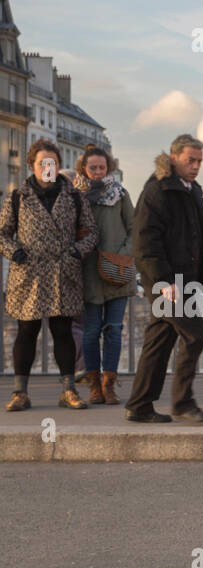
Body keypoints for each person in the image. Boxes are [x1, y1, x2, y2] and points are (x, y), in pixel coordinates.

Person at [0, 138, 99, 411]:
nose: (48, 167)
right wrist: (14, 252)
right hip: (28, 274)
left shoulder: (74, 196)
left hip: (61, 272)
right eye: (43, 162)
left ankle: (68, 391)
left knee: (63, 332)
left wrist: (77, 252)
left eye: (52, 163)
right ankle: (20, 393)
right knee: (26, 332)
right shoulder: (18, 197)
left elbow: (91, 231)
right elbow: (2, 233)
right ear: (32, 165)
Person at [126, 133, 203, 423]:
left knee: (159, 340)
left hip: (184, 281)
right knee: (195, 334)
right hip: (168, 284)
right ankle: (183, 402)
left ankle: (139, 405)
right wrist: (164, 282)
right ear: (174, 157)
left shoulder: (191, 189)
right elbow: (145, 242)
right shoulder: (158, 190)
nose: (196, 166)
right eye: (191, 160)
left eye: (199, 161)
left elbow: (202, 233)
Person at [74, 146, 135, 405]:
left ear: (108, 168)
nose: (98, 173)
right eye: (93, 168)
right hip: (88, 272)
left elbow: (135, 228)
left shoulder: (120, 194)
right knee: (90, 332)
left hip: (117, 271)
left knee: (114, 330)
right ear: (84, 169)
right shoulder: (76, 196)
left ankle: (109, 384)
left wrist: (123, 253)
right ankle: (94, 385)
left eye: (102, 168)